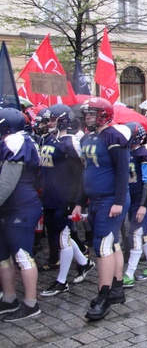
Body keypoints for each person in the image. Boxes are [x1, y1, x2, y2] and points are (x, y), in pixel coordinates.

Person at [73, 97, 131, 321]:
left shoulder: (114, 135)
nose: (87, 117)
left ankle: (103, 296)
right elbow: (86, 172)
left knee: (102, 246)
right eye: (86, 114)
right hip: (95, 199)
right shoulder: (88, 137)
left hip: (110, 199)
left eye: (92, 113)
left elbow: (122, 172)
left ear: (104, 114)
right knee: (112, 243)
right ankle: (116, 290)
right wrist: (79, 200)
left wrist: (117, 200)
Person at [39, 105, 95, 298]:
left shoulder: (71, 142)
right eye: (48, 120)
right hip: (50, 195)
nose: (49, 123)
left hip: (64, 197)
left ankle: (62, 282)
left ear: (64, 120)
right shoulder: (47, 138)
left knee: (63, 237)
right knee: (60, 234)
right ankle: (84, 262)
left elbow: (80, 172)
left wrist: (74, 200)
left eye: (53, 119)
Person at [0, 109, 43, 321]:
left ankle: (31, 303)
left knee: (23, 255)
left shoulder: (15, 142)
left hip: (21, 206)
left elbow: (6, 184)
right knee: (3, 256)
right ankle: (9, 298)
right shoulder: (13, 141)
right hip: (9, 207)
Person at [122, 123, 147, 288]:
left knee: (135, 234)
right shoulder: (126, 153)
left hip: (143, 199)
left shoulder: (144, 153)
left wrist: (143, 206)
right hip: (133, 198)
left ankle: (129, 273)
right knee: (144, 233)